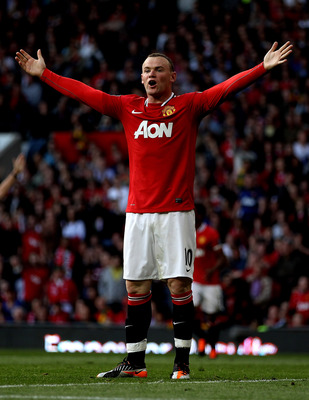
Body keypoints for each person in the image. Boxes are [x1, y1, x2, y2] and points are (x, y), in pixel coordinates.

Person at [15, 41, 292, 379]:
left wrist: (261, 68)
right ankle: (135, 363)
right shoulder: (127, 107)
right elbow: (85, 94)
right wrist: (46, 75)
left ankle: (182, 364)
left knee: (178, 285)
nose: (151, 74)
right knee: (135, 287)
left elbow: (226, 88)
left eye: (158, 69)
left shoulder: (190, 106)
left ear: (172, 77)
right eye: (146, 70)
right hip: (137, 214)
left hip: (176, 213)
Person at [192, 203, 228, 359]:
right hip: (194, 280)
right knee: (187, 312)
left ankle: (212, 347)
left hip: (211, 282)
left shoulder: (211, 233)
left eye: (193, 213)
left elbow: (223, 259)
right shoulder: (185, 233)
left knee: (211, 316)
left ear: (200, 215)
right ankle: (201, 338)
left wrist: (212, 270)